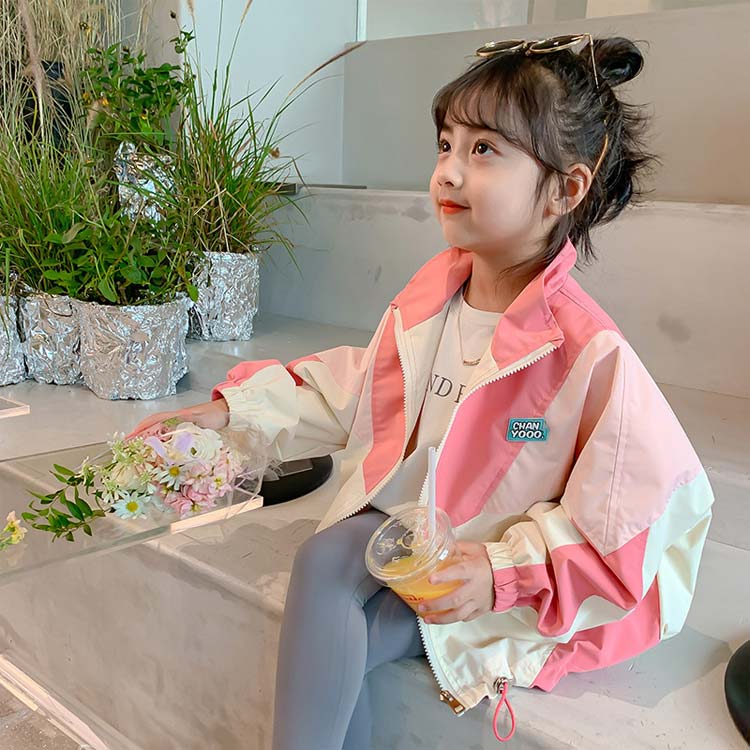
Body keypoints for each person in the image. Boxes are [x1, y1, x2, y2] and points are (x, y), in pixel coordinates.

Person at [130, 34, 714, 749]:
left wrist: (499, 571)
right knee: (328, 567)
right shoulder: (431, 297)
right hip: (415, 539)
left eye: (484, 150)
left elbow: (634, 513)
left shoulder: (585, 352)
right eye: (446, 145)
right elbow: (359, 389)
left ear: (566, 190)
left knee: (350, 617)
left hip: (494, 575)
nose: (449, 172)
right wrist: (230, 414)